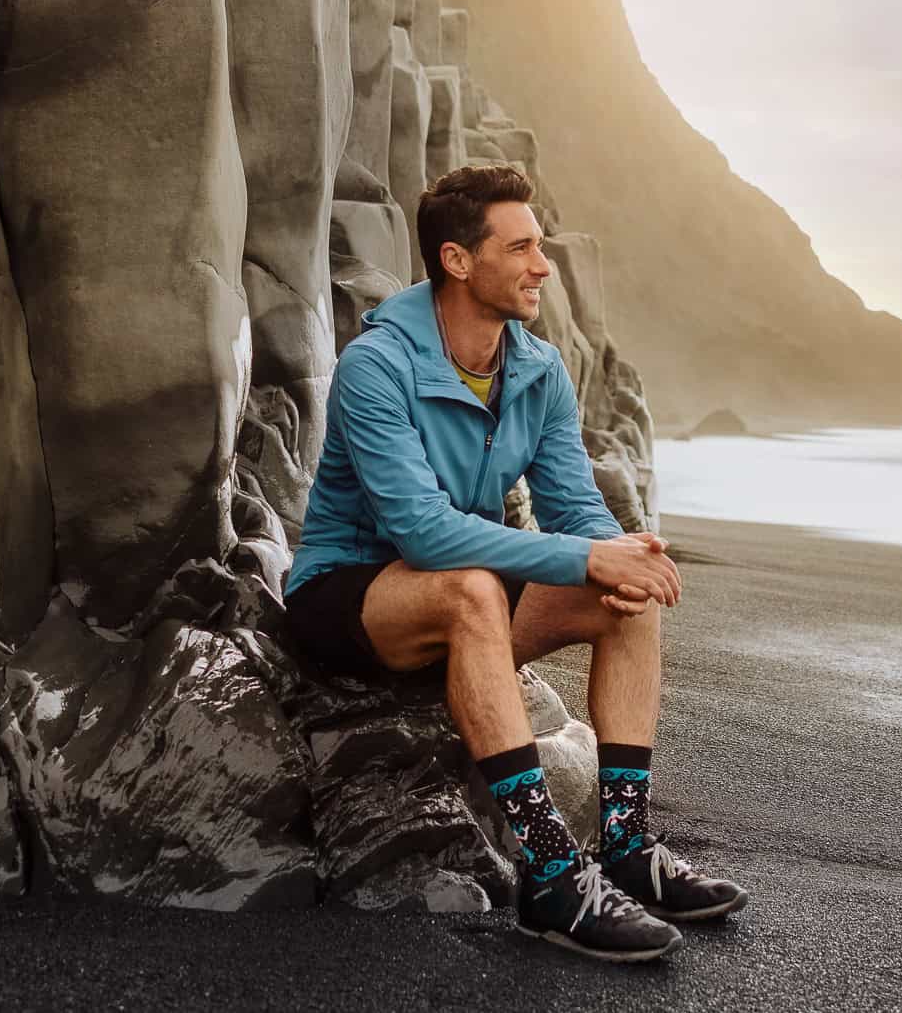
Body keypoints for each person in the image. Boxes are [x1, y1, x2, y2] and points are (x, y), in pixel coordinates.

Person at [286, 164, 748, 962]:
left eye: (541, 246)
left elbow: (575, 509)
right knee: (472, 587)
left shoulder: (537, 370)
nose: (543, 266)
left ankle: (625, 844)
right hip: (351, 595)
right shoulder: (378, 365)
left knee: (623, 595)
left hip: (466, 591)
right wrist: (586, 555)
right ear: (459, 260)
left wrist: (621, 555)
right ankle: (550, 877)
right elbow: (423, 534)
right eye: (522, 248)